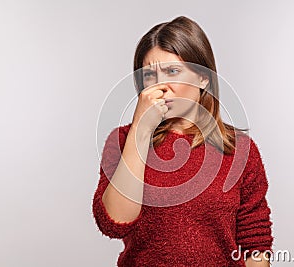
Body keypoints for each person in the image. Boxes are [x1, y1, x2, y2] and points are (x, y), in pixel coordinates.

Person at [92, 16, 274, 266]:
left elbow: (256, 244)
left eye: (172, 71)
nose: (160, 86)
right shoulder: (123, 140)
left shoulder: (240, 150)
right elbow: (114, 223)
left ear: (203, 78)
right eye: (149, 76)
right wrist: (141, 130)